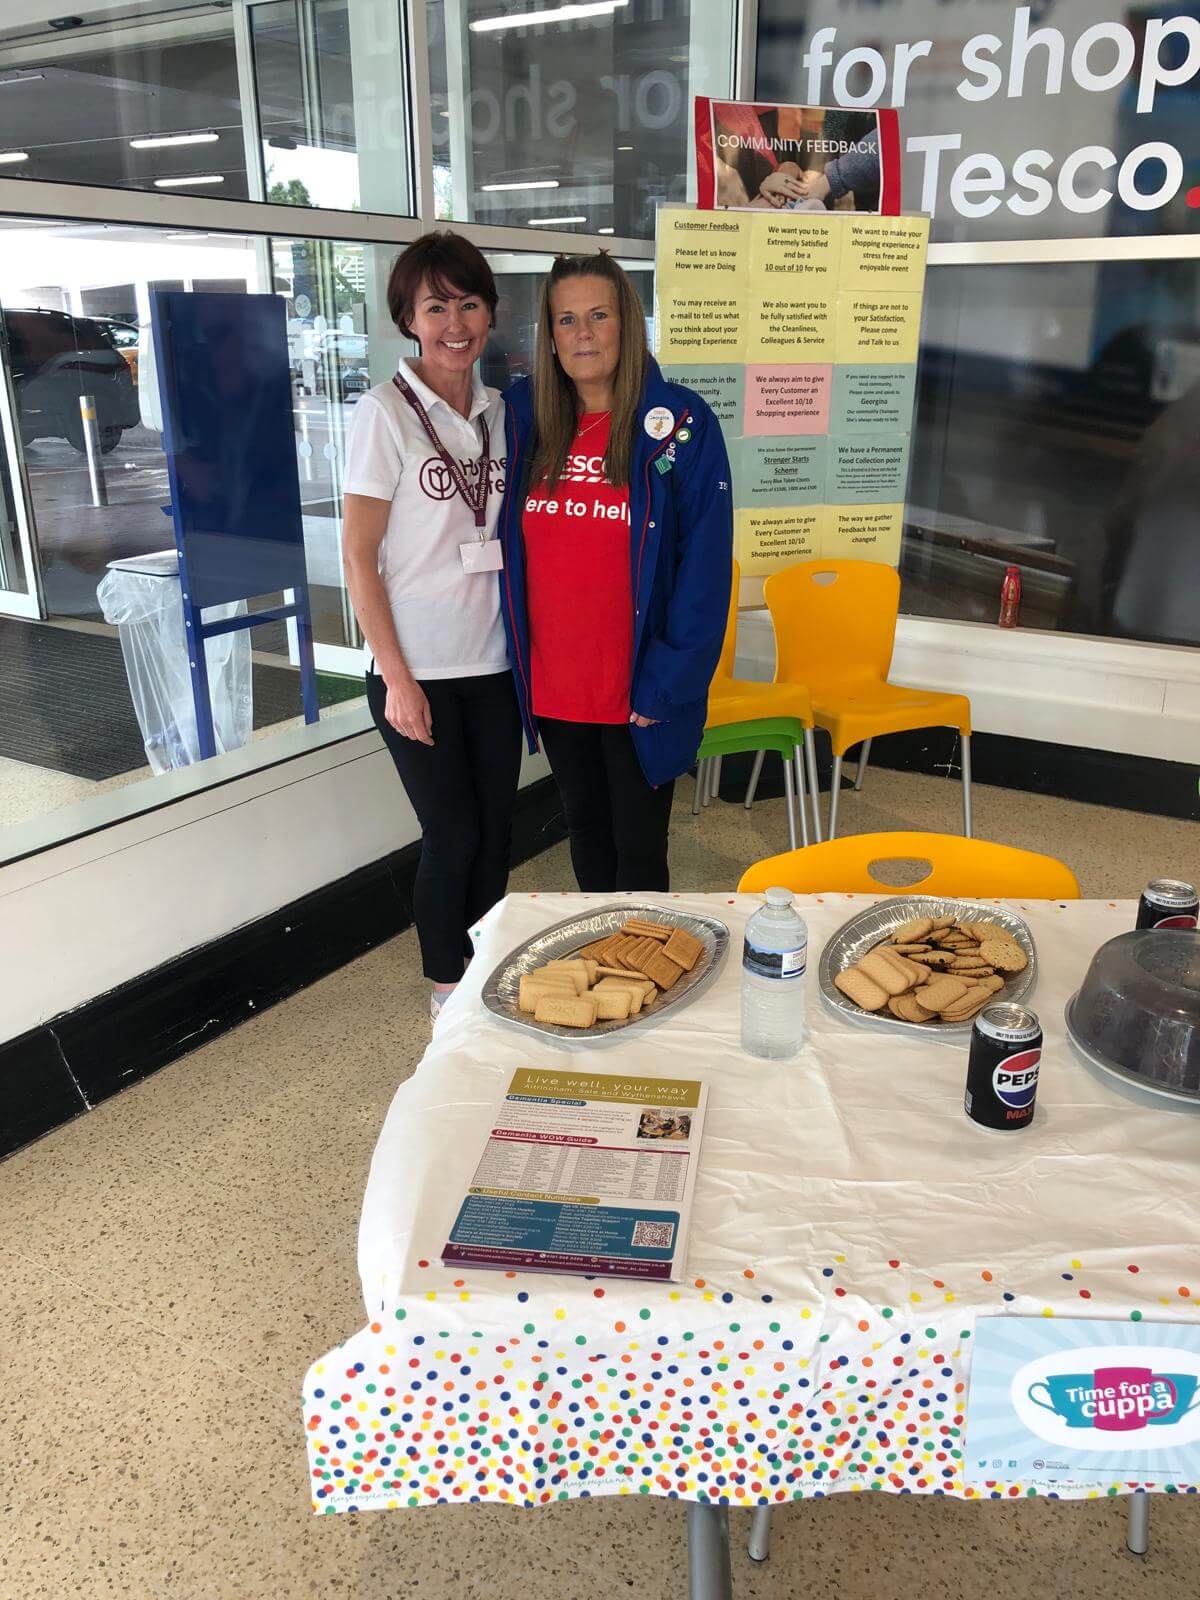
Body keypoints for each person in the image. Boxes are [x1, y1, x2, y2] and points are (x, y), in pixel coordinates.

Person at [497, 252, 732, 892]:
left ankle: (646, 980)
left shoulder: (680, 425)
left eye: (598, 315)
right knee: (588, 840)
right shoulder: (523, 420)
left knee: (638, 854)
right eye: (566, 319)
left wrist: (667, 684)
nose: (583, 333)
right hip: (557, 684)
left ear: (626, 323)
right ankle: (602, 978)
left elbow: (704, 570)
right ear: (549, 334)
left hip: (636, 687)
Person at [342, 232, 521, 1024]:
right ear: (409, 320)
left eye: (469, 303)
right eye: (436, 305)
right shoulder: (383, 415)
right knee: (450, 835)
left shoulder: (501, 412)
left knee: (495, 833)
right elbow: (359, 557)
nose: (456, 322)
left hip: (493, 665)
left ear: (490, 312)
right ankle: (447, 991)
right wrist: (397, 678)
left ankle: (483, 967)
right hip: (418, 670)